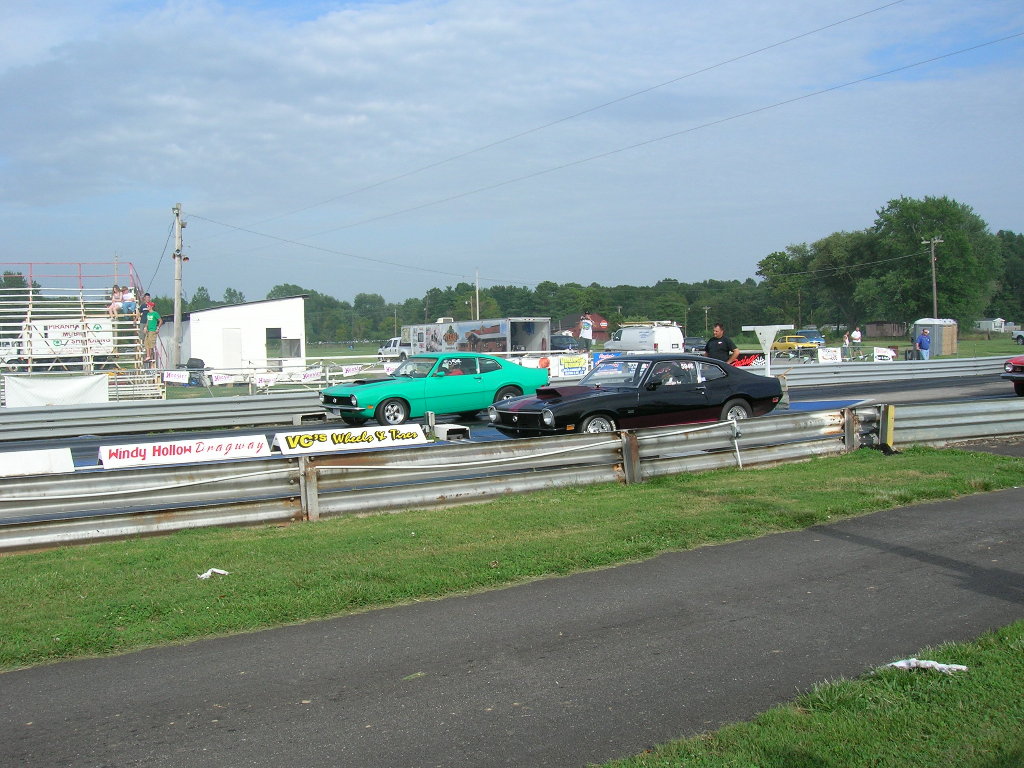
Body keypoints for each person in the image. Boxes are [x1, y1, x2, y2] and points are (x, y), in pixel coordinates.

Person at [143, 301, 162, 367]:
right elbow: (148, 321)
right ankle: (148, 356)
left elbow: (160, 320)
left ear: (151, 306)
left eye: (148, 306)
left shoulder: (155, 313)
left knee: (151, 343)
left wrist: (158, 328)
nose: (147, 307)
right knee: (146, 343)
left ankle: (149, 356)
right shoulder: (148, 314)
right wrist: (145, 327)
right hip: (148, 330)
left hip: (153, 330)